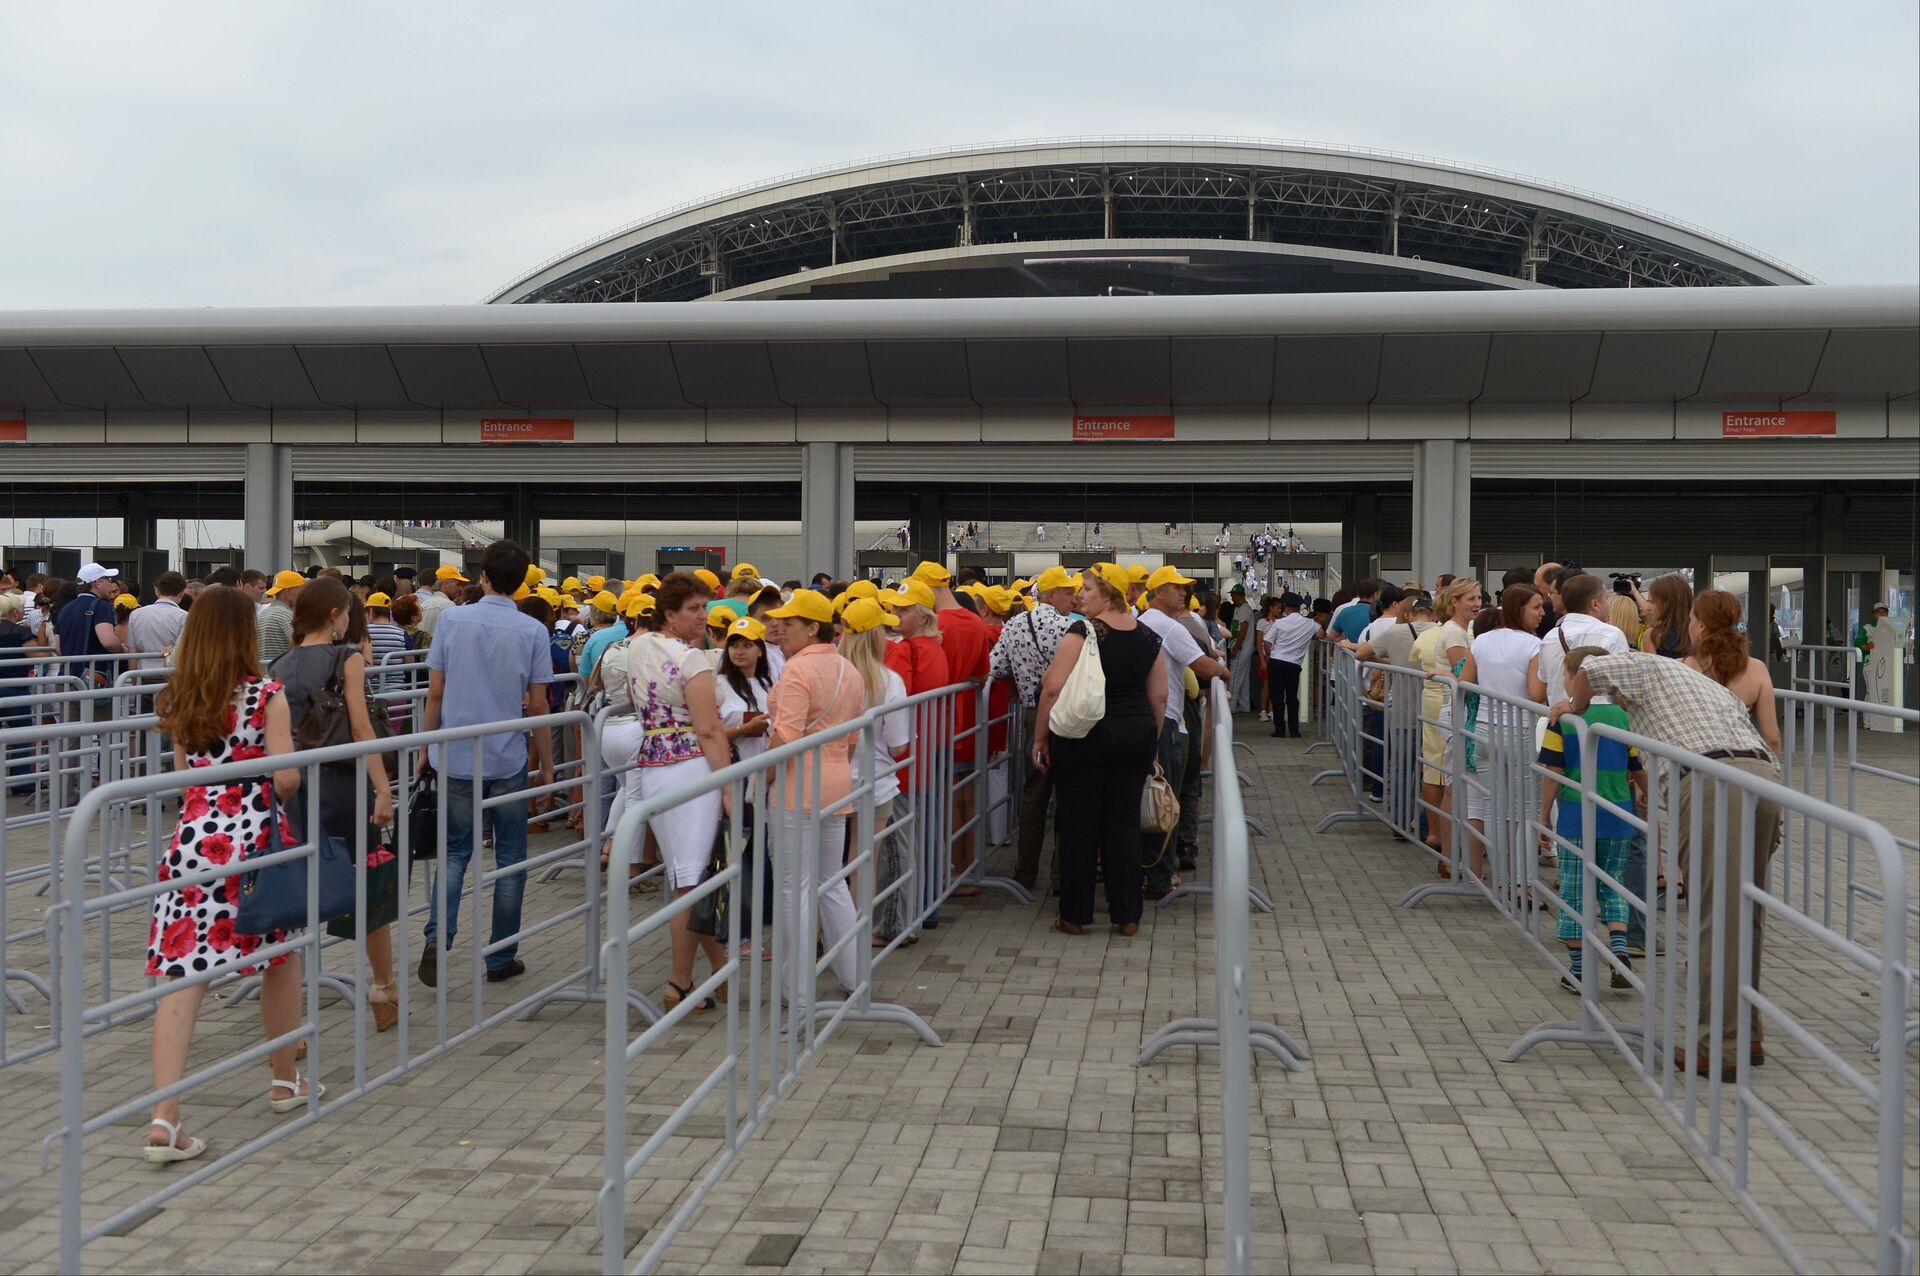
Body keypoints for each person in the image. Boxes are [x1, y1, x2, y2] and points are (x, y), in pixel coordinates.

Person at [145, 586, 315, 1164]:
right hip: (255, 835)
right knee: (279, 954)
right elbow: (286, 777)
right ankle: (284, 1080)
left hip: (194, 839)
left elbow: (184, 777)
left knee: (182, 972)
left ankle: (165, 1116)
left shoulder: (179, 697)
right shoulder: (266, 695)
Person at [1558, 645, 1781, 1079]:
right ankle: (1746, 1033)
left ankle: (1721, 1048)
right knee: (1746, 912)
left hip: (1713, 781)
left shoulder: (1644, 667)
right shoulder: (1701, 688)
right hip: (1761, 775)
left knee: (1715, 917)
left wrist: (1574, 706)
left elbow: (1588, 670)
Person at [417, 541, 553, 988]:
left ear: (484, 576)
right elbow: (539, 705)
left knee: (456, 851)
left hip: (455, 752)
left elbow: (436, 693)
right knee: (511, 857)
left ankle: (438, 935)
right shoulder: (533, 630)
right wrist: (547, 764)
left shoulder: (452, 620)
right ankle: (500, 956)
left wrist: (425, 748)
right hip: (507, 756)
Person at [269, 578, 400, 1031]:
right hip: (343, 783)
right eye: (345, 611)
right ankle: (383, 985)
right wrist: (383, 787)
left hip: (294, 786)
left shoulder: (279, 663)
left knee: (295, 891)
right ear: (333, 615)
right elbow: (362, 729)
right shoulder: (347, 658)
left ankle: (289, 1017)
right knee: (366, 881)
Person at [1034, 563, 1164, 935]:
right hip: (1135, 732)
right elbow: (1159, 695)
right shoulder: (1149, 636)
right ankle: (1127, 914)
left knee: (1079, 823)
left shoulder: (1083, 631)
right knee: (1123, 824)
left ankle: (1075, 915)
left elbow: (1053, 687)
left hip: (1086, 735)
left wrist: (1040, 737)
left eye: (1087, 589)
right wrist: (1152, 742)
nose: (1080, 595)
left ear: (1109, 593)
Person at [764, 589, 867, 1004]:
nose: (780, 628)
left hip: (797, 786)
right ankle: (854, 976)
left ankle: (797, 990)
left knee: (795, 888)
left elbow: (786, 734)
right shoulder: (849, 668)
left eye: (789, 623)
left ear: (812, 628)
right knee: (831, 881)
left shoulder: (797, 670)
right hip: (835, 782)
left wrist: (760, 777)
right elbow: (853, 739)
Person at [1538, 646, 1645, 994]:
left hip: (1575, 816)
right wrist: (1648, 796)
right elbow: (1638, 766)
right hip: (1618, 814)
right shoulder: (1623, 718)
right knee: (1613, 885)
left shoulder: (1563, 719)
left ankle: (1580, 971)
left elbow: (1553, 771)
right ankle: (1619, 952)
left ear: (1574, 678)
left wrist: (1543, 814)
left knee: (1574, 892)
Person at [1136, 566, 1225, 898]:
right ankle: (1160, 876)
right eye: (1176, 587)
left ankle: (1146, 871)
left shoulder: (1142, 621)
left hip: (1146, 718)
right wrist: (1224, 674)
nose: (1184, 592)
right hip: (1166, 720)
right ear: (1158, 592)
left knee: (1147, 800)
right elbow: (1203, 665)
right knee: (1164, 801)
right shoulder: (1168, 626)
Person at [989, 566, 1077, 893]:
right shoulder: (1072, 628)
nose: (1074, 598)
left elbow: (994, 667)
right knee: (1068, 795)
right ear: (1052, 595)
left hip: (1031, 714)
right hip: (1068, 716)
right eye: (1068, 592)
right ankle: (1061, 876)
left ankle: (1025, 872)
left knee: (1034, 795)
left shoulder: (1013, 625)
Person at [911, 561, 993, 895]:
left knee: (938, 802)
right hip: (965, 719)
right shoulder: (975, 622)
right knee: (965, 796)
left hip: (932, 723)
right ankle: (964, 869)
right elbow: (982, 673)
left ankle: (944, 875)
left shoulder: (933, 624)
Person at [838, 600, 915, 945]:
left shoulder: (830, 674)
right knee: (863, 860)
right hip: (875, 780)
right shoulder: (888, 681)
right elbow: (899, 745)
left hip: (830, 780)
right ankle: (855, 936)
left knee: (825, 868)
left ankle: (826, 935)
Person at [1457, 585, 1544, 879]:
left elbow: (1465, 682)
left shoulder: (1481, 641)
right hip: (1519, 730)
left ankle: (1502, 881)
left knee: (1493, 806)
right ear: (1520, 609)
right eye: (1536, 607)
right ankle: (1523, 881)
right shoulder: (1533, 645)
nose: (1541, 613)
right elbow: (1536, 693)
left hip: (1484, 728)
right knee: (1527, 809)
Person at [1410, 577, 1481, 868]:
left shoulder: (1457, 631)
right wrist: (1452, 675)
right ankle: (1449, 854)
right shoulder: (1453, 633)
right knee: (1452, 783)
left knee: (1453, 781)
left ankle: (1450, 853)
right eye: (1471, 599)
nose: (1477, 603)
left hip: (1453, 708)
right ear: (1454, 602)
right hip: (1454, 710)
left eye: (1479, 598)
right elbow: (1465, 674)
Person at [1534, 573, 1628, 708]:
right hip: (1600, 718)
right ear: (1595, 604)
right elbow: (1622, 686)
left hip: (1559, 716)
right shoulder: (1612, 635)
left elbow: (1544, 681)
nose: (1608, 604)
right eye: (1606, 599)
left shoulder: (1549, 637)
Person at [55, 563, 125, 686]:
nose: (110, 583)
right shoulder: (101, 605)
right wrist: (123, 650)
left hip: (66, 677)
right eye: (108, 579)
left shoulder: (65, 609)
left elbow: (59, 648)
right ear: (98, 583)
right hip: (92, 679)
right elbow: (108, 642)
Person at [1261, 592, 1318, 738]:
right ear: (1299, 607)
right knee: (1292, 697)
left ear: (1285, 606)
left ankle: (1279, 730)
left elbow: (1266, 642)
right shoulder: (1309, 623)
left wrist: (1269, 653)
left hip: (1276, 662)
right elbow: (1322, 633)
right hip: (1294, 664)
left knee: (1277, 697)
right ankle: (1294, 730)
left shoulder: (1279, 623)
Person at [126, 572, 189, 666]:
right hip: (171, 669)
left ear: (157, 591)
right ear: (182, 593)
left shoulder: (136, 614)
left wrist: (133, 674)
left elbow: (132, 651)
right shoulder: (184, 617)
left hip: (142, 669)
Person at [1639, 574, 1693, 659]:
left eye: (1652, 602)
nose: (1648, 608)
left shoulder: (1652, 635)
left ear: (1668, 603)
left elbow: (1652, 667)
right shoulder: (1701, 632)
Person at [255, 571, 303, 667]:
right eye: (301, 590)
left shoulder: (263, 614)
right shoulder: (285, 615)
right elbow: (300, 646)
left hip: (265, 672)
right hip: (282, 673)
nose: (303, 595)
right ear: (289, 591)